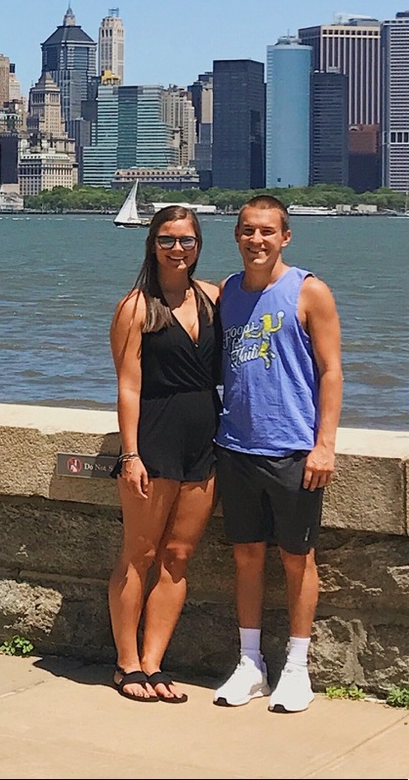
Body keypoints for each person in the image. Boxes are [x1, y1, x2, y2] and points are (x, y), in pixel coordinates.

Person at [212, 195, 342, 714]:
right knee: (246, 555)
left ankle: (296, 666)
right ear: (237, 236)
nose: (257, 240)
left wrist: (324, 444)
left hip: (293, 449)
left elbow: (331, 372)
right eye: (248, 231)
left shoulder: (308, 291)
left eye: (267, 231)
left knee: (295, 558)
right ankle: (250, 664)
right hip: (236, 447)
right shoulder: (227, 292)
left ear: (284, 237)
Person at [108, 206, 221, 703]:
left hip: (206, 438)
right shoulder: (136, 307)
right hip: (154, 438)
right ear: (152, 244)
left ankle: (153, 662)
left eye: (187, 241)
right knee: (141, 552)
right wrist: (130, 454)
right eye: (168, 240)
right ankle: (125, 663)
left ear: (199, 246)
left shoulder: (214, 298)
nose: (178, 249)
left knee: (178, 555)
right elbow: (128, 386)